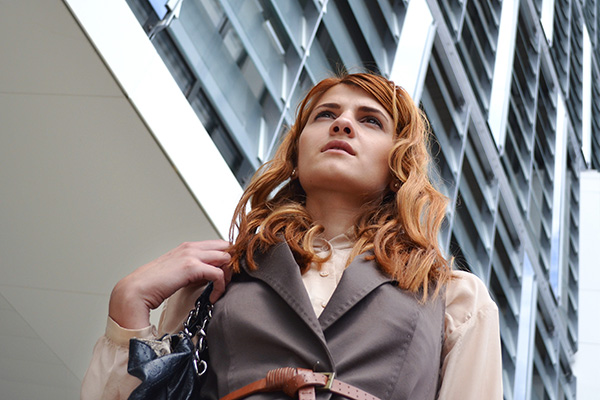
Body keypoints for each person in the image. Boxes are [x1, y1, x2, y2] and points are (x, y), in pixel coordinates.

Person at [82, 72, 502, 399]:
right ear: (297, 152)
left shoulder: (456, 300)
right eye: (325, 114)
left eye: (370, 120)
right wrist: (128, 310)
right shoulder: (219, 276)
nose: (342, 124)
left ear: (399, 166)